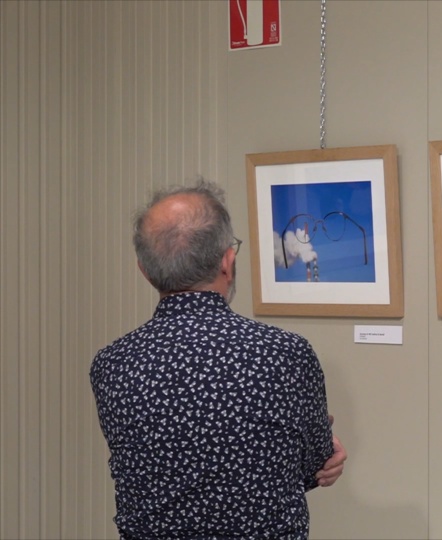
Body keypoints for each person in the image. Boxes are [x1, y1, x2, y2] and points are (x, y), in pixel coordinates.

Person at [90, 179, 347, 539]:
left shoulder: (112, 365)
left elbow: (150, 462)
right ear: (228, 261)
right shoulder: (285, 353)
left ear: (145, 271)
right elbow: (314, 468)